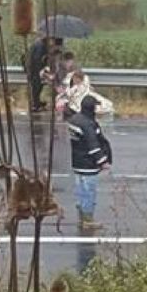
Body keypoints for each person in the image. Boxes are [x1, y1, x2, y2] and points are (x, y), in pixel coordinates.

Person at [68, 96, 112, 229]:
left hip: (77, 162)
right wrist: (103, 161)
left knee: (81, 191)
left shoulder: (75, 120)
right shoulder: (87, 124)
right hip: (88, 164)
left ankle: (82, 217)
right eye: (95, 107)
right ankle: (88, 220)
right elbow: (93, 145)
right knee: (89, 192)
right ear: (91, 108)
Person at [27, 37, 62, 112]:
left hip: (36, 69)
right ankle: (35, 105)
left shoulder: (41, 44)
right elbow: (37, 60)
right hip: (35, 70)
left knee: (38, 86)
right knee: (37, 86)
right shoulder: (40, 46)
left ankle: (37, 103)